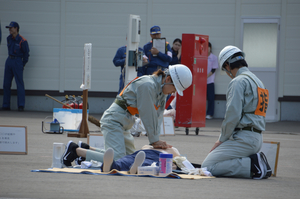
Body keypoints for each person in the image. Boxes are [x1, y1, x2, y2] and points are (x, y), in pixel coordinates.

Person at [63, 64, 192, 165]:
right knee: (118, 160)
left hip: (124, 122)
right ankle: (75, 150)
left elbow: (158, 117)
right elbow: (147, 113)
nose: (173, 92)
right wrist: (154, 141)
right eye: (174, 88)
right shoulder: (147, 85)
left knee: (130, 159)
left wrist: (156, 139)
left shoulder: (161, 91)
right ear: (168, 79)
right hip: (114, 120)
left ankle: (86, 149)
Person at [201, 45, 272, 179]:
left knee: (207, 167)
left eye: (225, 69)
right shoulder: (258, 81)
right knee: (216, 163)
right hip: (256, 137)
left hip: (243, 138)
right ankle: (253, 162)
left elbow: (232, 115)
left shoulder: (238, 81)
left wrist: (221, 139)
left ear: (227, 65)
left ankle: (253, 165)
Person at [62, 140, 181, 174]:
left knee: (122, 161)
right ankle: (135, 169)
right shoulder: (173, 150)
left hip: (140, 153)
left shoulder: (149, 146)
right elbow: (178, 164)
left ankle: (110, 166)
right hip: (155, 157)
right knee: (152, 165)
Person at [2, 21, 30, 111]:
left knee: (19, 84)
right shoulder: (9, 38)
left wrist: (22, 64)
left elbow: (26, 54)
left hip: (17, 61)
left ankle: (21, 105)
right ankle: (6, 105)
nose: (10, 30)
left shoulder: (22, 40)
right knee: (6, 84)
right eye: (9, 28)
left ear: (16, 29)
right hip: (9, 60)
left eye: (11, 28)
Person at [206, 42, 219, 119]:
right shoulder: (201, 56)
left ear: (210, 48)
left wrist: (205, 76)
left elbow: (213, 69)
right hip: (200, 81)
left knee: (210, 98)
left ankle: (210, 114)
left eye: (208, 47)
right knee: (200, 98)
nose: (206, 49)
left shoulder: (214, 57)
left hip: (210, 81)